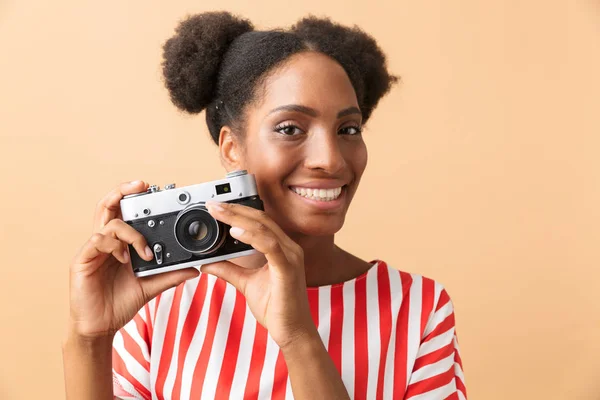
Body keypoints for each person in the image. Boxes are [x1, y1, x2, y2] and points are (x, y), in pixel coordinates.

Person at [62, 11, 467, 400]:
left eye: (348, 129)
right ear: (231, 148)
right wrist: (88, 339)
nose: (331, 159)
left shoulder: (416, 309)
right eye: (290, 128)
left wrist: (297, 336)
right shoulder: (162, 304)